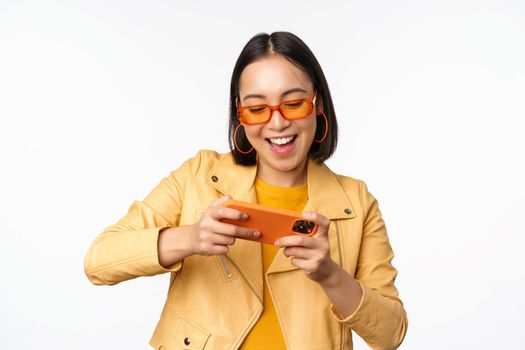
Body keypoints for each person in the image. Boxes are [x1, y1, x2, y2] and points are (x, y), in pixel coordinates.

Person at [84, 31, 408, 350]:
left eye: (293, 103)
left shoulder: (357, 202)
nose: (277, 123)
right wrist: (190, 238)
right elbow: (99, 262)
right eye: (257, 109)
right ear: (239, 113)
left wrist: (329, 273)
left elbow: (390, 334)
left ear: (318, 103)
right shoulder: (198, 176)